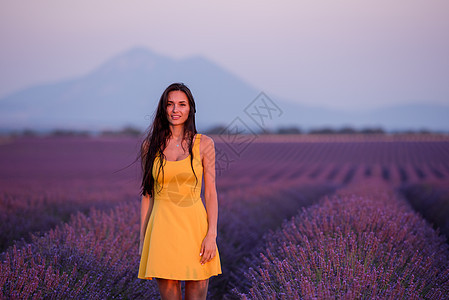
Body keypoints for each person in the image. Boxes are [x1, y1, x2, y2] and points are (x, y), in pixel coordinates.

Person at [138, 82, 221, 299]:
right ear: (163, 109)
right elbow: (148, 195)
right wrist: (142, 240)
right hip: (161, 230)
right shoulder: (150, 145)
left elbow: (210, 193)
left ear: (190, 108)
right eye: (170, 104)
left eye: (182, 104)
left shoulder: (205, 144)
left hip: (195, 229)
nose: (176, 110)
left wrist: (211, 234)